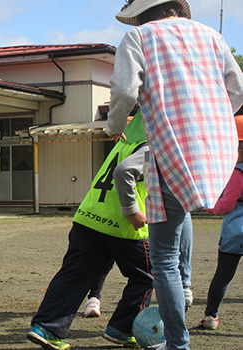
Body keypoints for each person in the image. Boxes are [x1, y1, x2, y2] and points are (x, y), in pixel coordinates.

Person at [106, 1, 243, 349]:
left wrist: (115, 126)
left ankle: (177, 343)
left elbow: (124, 91)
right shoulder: (212, 36)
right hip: (213, 152)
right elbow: (238, 89)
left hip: (169, 150)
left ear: (143, 14)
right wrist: (211, 119)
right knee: (181, 232)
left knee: (165, 258)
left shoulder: (139, 36)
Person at [27, 112, 153, 350]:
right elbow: (124, 173)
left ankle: (45, 327)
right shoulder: (150, 146)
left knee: (73, 275)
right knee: (148, 274)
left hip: (88, 217)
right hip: (120, 224)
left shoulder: (124, 142)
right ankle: (122, 328)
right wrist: (132, 211)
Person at [200, 115, 243, 330]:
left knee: (224, 275)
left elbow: (227, 204)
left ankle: (211, 316)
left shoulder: (238, 172)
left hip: (236, 232)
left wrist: (210, 206)